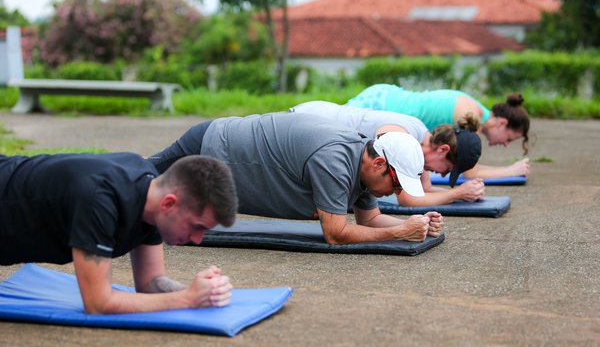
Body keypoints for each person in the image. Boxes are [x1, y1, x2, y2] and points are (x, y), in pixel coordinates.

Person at [149, 112, 444, 245]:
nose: (395, 191)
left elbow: (369, 220)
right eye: (396, 183)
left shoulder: (363, 164)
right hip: (213, 146)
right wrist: (398, 233)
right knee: (145, 178)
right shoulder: (335, 160)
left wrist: (417, 223)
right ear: (379, 163)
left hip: (223, 150)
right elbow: (336, 233)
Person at [0, 153, 238, 315]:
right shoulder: (99, 200)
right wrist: (187, 300)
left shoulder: (152, 194)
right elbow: (98, 303)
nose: (198, 240)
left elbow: (150, 283)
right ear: (169, 204)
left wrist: (199, 291)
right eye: (197, 226)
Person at [291, 100, 484, 207]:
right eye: (447, 169)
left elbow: (424, 191)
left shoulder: (420, 142)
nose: (441, 174)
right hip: (303, 124)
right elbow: (407, 199)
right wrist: (457, 193)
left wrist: (463, 195)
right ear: (443, 150)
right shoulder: (401, 134)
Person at [347, 84, 531, 179]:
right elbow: (470, 173)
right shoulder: (470, 119)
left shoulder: (475, 110)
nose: (506, 144)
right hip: (380, 105)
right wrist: (510, 171)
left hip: (386, 95)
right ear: (502, 123)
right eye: (509, 138)